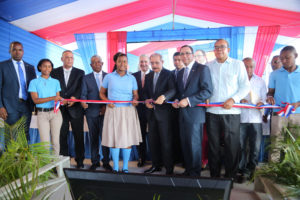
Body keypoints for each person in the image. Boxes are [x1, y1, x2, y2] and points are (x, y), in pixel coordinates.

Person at [206, 39, 250, 179]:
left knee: (232, 146)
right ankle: (214, 175)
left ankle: (230, 176)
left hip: (231, 113)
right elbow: (205, 86)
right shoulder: (208, 66)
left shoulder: (238, 64)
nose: (219, 49)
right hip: (212, 112)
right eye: (216, 47)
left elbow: (245, 86)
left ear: (228, 49)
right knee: (213, 146)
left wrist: (234, 99)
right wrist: (205, 97)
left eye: (222, 47)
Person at [172, 45, 213, 176]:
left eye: (187, 53)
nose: (184, 56)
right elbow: (179, 93)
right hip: (182, 114)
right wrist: (176, 101)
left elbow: (207, 91)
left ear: (193, 54)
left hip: (195, 115)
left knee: (194, 145)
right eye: (182, 54)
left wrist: (189, 101)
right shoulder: (180, 73)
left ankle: (195, 173)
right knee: (185, 144)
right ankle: (189, 170)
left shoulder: (202, 69)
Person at [100, 53, 142, 173]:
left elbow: (136, 95)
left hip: (128, 110)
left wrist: (135, 100)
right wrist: (107, 101)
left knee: (127, 139)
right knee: (114, 138)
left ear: (127, 63)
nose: (122, 64)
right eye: (120, 61)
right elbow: (101, 93)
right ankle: (116, 167)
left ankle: (125, 167)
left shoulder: (132, 78)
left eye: (124, 61)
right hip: (113, 110)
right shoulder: (108, 77)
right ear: (115, 62)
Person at [51, 50, 85, 168]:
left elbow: (81, 88)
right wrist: (60, 98)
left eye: (71, 58)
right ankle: (64, 161)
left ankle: (80, 161)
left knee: (78, 136)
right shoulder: (54, 72)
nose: (69, 59)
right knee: (62, 135)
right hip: (60, 109)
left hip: (75, 108)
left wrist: (74, 98)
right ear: (62, 59)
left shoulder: (80, 72)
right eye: (67, 57)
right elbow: (53, 87)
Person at [143, 53, 176, 175]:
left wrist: (164, 96)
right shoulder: (148, 75)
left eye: (157, 63)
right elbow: (145, 92)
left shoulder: (169, 74)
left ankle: (169, 169)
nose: (154, 65)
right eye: (152, 63)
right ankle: (155, 165)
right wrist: (146, 100)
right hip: (151, 114)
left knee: (166, 142)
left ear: (162, 61)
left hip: (165, 114)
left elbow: (173, 90)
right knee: (153, 141)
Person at [267, 46, 300, 162]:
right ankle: (273, 171)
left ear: (295, 56)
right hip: (279, 114)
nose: (284, 61)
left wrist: (298, 103)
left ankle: (293, 173)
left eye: (287, 58)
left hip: (298, 115)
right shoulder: (274, 74)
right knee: (276, 143)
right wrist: (270, 97)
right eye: (282, 58)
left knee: (295, 145)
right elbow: (270, 92)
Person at [0, 41, 36, 142]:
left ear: (23, 51)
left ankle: (23, 157)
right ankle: (10, 158)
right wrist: (1, 106)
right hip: (9, 106)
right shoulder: (2, 66)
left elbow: (33, 88)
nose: (17, 52)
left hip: (26, 106)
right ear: (10, 51)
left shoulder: (30, 67)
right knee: (10, 134)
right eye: (14, 50)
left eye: (20, 50)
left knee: (25, 134)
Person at [81, 55, 112, 171]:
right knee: (93, 138)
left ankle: (106, 162)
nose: (97, 64)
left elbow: (111, 94)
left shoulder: (109, 77)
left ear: (102, 63)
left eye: (99, 62)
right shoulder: (85, 78)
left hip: (106, 112)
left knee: (105, 138)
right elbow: (83, 94)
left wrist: (106, 107)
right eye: (94, 62)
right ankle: (95, 161)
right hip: (91, 112)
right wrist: (83, 102)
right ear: (90, 65)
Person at [238, 58, 267, 180]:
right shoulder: (237, 80)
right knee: (240, 146)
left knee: (255, 147)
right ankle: (241, 171)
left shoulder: (260, 81)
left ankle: (252, 171)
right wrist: (240, 100)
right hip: (241, 118)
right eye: (246, 66)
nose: (248, 69)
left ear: (254, 67)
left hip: (256, 119)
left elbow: (265, 98)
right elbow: (231, 97)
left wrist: (261, 102)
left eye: (251, 67)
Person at [28, 59, 62, 156]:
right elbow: (35, 100)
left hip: (55, 113)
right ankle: (47, 166)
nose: (47, 68)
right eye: (44, 66)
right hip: (42, 114)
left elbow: (57, 99)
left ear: (51, 68)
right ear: (39, 67)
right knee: (45, 144)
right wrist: (53, 97)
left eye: (49, 66)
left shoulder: (56, 82)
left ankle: (56, 167)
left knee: (55, 142)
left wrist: (60, 100)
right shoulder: (34, 82)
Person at [132, 55, 150, 167]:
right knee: (140, 135)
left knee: (155, 135)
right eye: (141, 61)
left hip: (152, 109)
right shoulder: (134, 76)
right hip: (138, 110)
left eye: (145, 61)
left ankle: (158, 159)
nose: (143, 64)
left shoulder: (154, 74)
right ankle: (141, 158)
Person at [171, 52, 184, 164]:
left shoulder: (187, 73)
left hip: (184, 108)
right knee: (173, 135)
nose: (177, 62)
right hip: (171, 109)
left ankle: (183, 159)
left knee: (183, 136)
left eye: (179, 60)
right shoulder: (170, 73)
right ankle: (175, 158)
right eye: (175, 60)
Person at [262, 55, 282, 123]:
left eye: (276, 62)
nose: (273, 64)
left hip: (291, 111)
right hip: (275, 111)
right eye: (272, 63)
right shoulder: (272, 75)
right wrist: (266, 114)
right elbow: (270, 95)